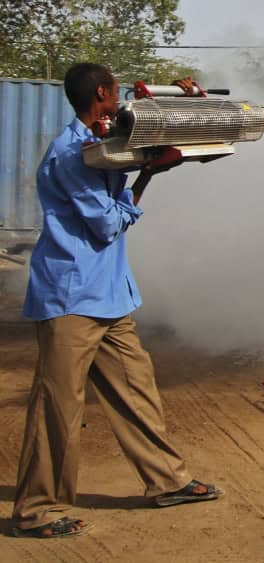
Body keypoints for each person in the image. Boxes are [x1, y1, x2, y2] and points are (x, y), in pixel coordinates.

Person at [11, 63, 223, 539]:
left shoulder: (102, 139)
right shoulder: (71, 155)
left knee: (135, 389)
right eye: (116, 94)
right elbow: (106, 225)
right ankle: (34, 512)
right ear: (102, 93)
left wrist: (187, 106)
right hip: (72, 298)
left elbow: (152, 133)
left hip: (108, 294)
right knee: (57, 406)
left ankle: (167, 480)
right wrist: (147, 176)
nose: (122, 102)